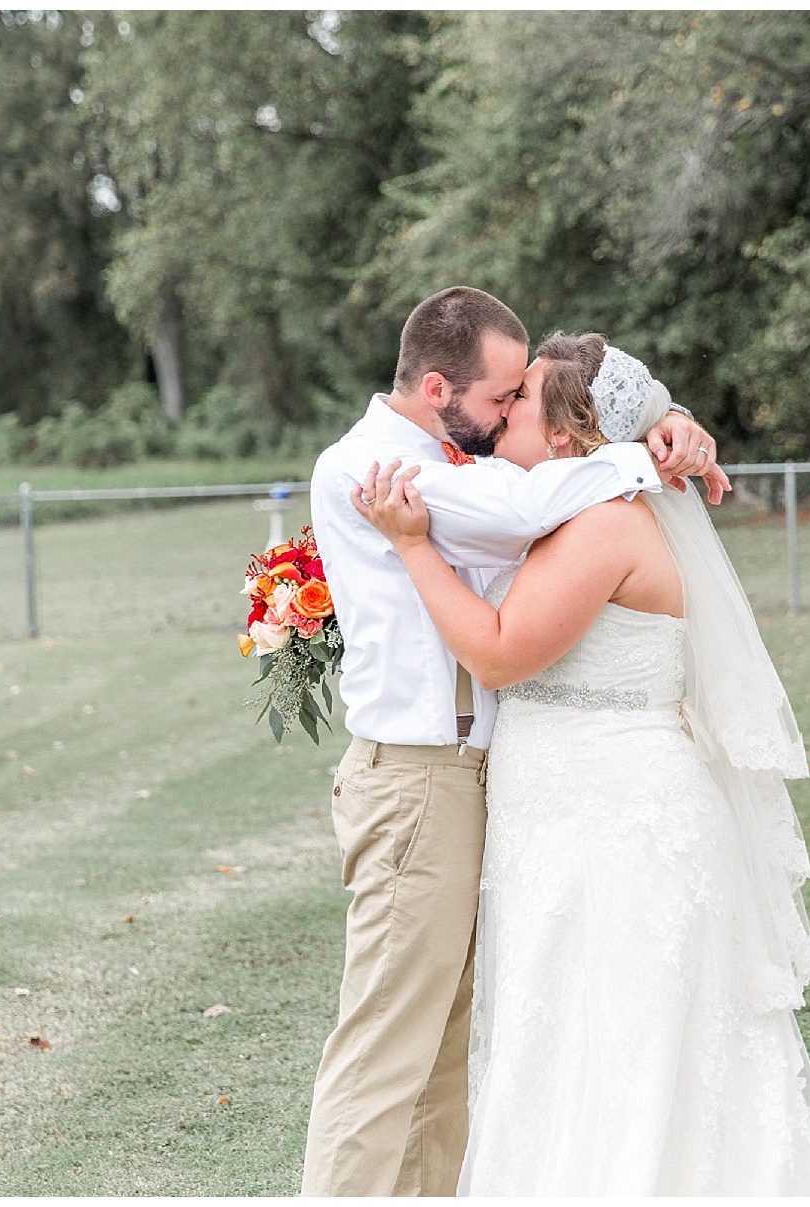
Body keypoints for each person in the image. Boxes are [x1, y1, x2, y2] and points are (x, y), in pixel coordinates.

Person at [353, 333, 810, 1195]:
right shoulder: (550, 511)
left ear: (567, 432)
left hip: (616, 823)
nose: (503, 407)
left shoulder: (606, 524)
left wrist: (412, 546)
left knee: (621, 1057)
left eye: (521, 397)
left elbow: (497, 653)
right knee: (564, 1049)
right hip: (563, 818)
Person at [302, 289, 728, 1196]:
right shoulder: (380, 469)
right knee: (385, 1051)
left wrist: (661, 422)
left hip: (480, 779)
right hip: (419, 779)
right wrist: (637, 454)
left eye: (514, 400)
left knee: (443, 1054)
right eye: (500, 397)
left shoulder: (457, 457)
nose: (502, 417)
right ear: (436, 388)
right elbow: (526, 509)